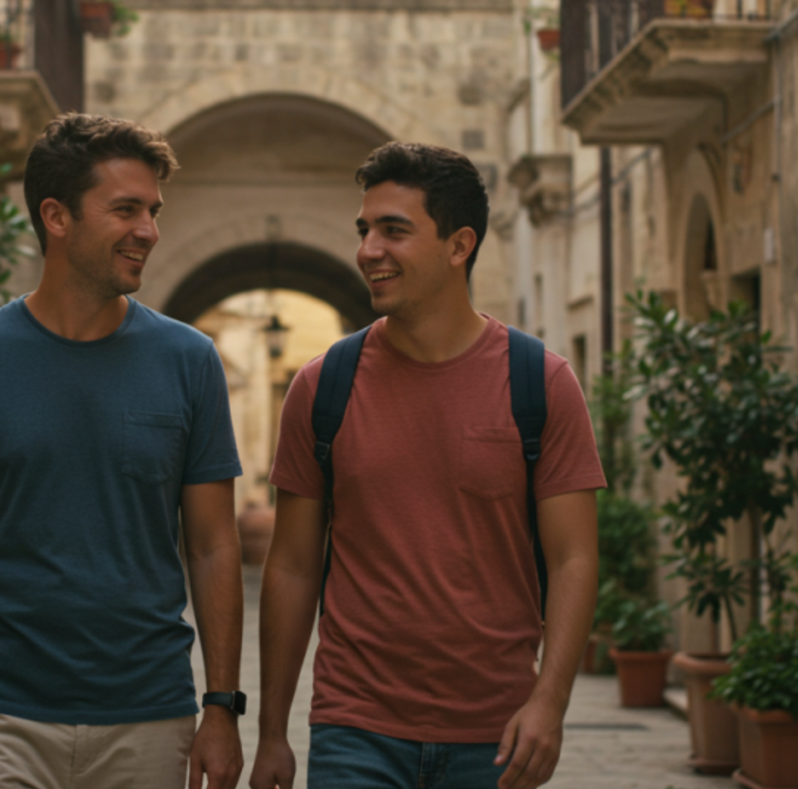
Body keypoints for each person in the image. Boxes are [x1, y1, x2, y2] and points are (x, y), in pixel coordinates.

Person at [0, 113, 248, 789]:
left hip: (147, 717)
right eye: (126, 209)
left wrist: (222, 707)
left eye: (154, 211)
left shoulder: (189, 361)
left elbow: (213, 545)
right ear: (56, 216)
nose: (150, 231)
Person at [249, 142, 603, 789]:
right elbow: (294, 565)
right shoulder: (322, 387)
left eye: (394, 230)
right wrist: (272, 731)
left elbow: (575, 556)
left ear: (459, 244)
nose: (368, 250)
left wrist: (549, 702)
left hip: (494, 737)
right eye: (365, 230)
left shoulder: (541, 384)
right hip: (354, 728)